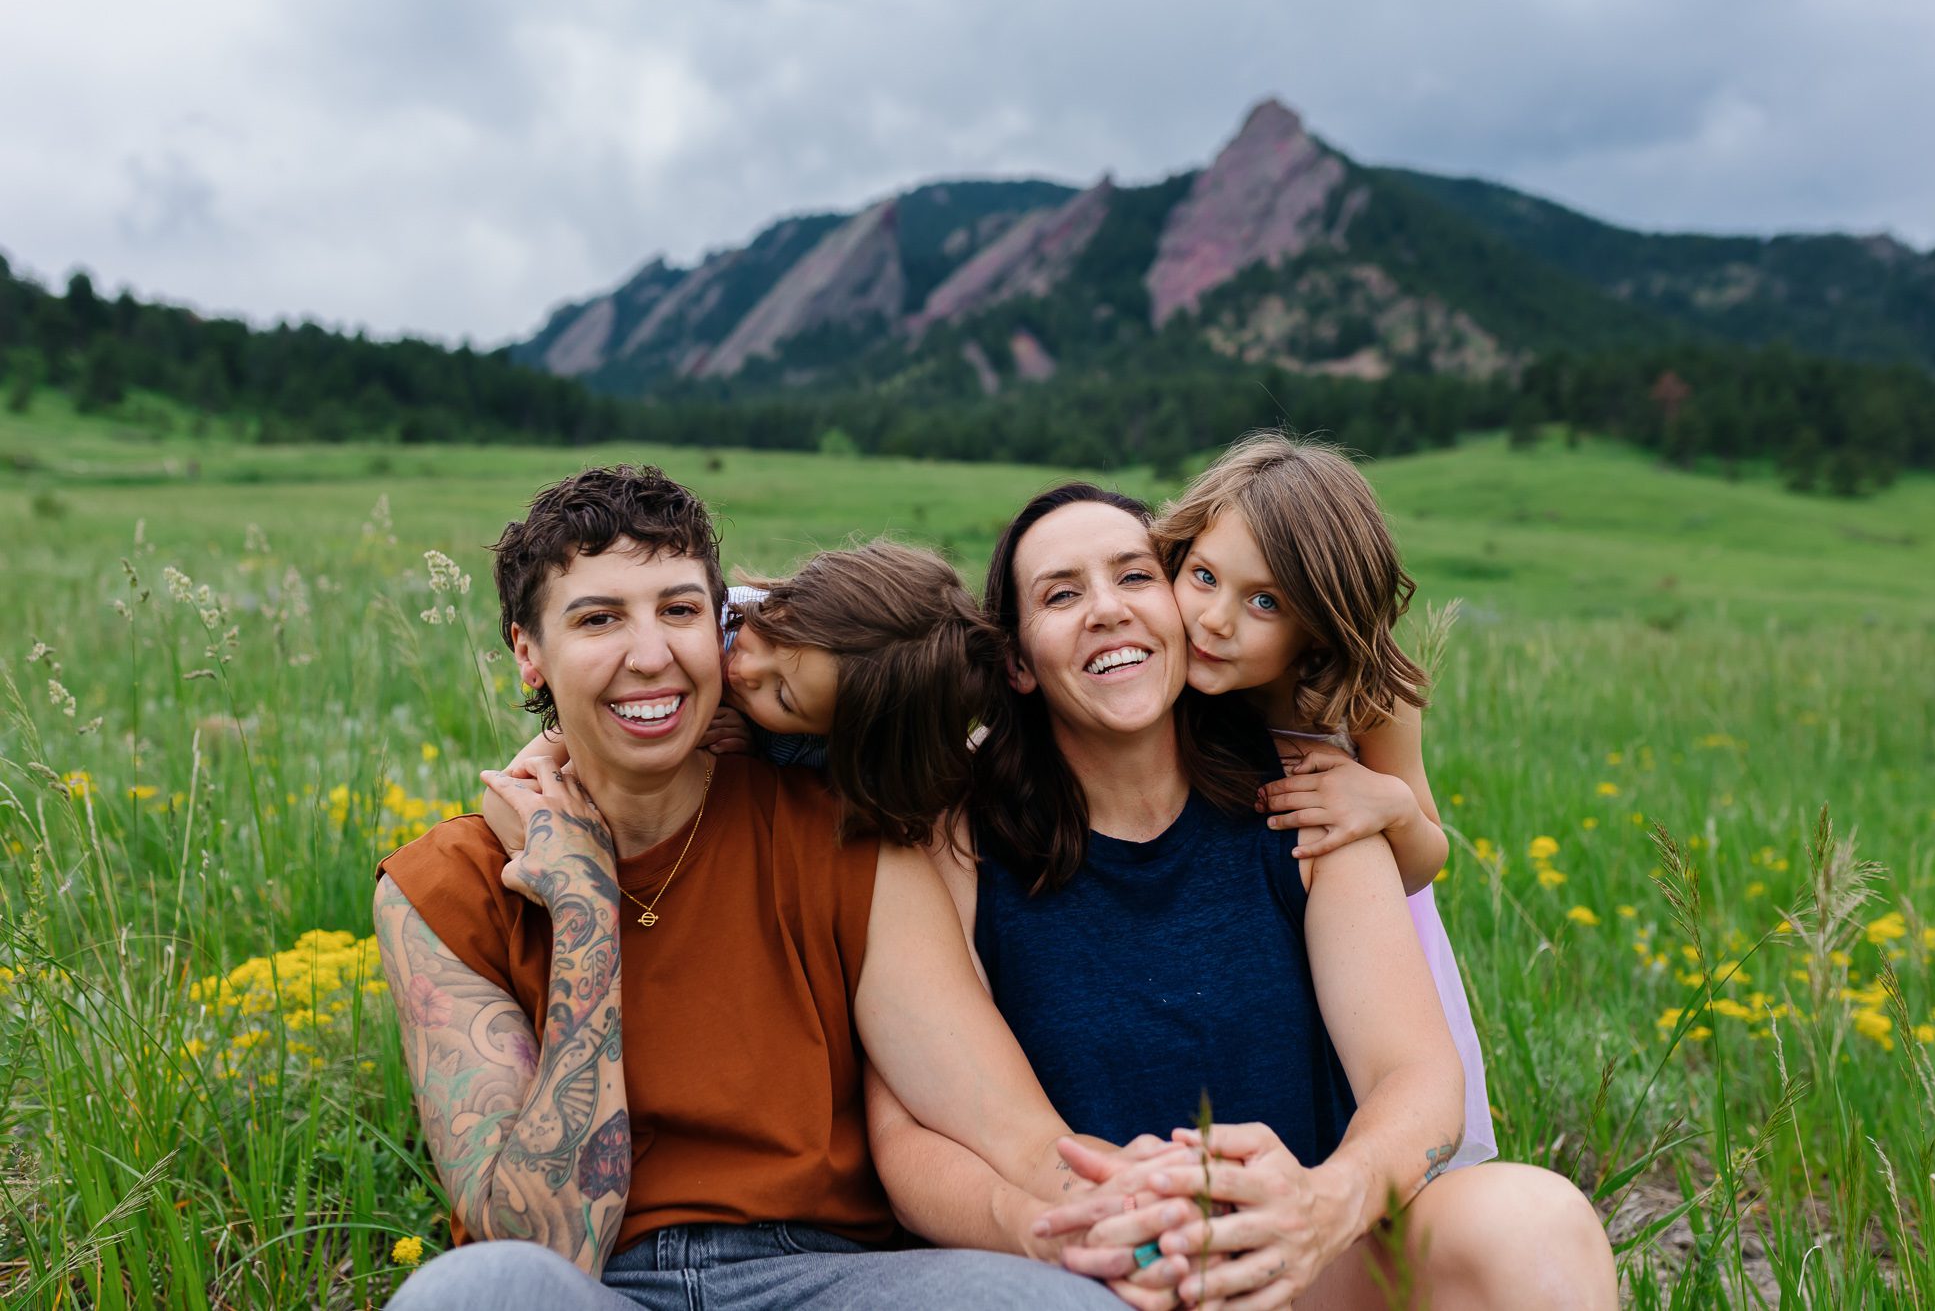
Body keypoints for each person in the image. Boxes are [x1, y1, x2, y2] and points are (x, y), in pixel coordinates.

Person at [375, 465, 1122, 1310]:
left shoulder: (847, 840)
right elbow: (546, 1244)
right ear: (529, 654)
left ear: (721, 626)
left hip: (830, 1279)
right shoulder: (442, 887)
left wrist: (1120, 1206)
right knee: (476, 1292)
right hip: (602, 1284)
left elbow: (1006, 1126)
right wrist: (584, 906)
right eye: (598, 619)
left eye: (681, 611)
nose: (651, 655)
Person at [868, 483, 1617, 1309]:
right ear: (1015, 661)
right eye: (1061, 593)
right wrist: (1050, 1226)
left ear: (1178, 611)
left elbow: (1416, 1073)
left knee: (1535, 1221)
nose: (1107, 609)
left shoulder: (1310, 797)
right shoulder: (955, 838)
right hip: (1078, 1275)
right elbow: (907, 1135)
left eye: (1134, 576)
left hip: (1303, 1264)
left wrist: (1327, 1202)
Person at [1152, 431, 1496, 1170]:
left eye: (1265, 601)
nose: (1215, 619)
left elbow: (1427, 858)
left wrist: (1392, 807)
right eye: (1205, 576)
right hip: (1247, 939)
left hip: (1365, 940)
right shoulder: (1165, 664)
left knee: (1359, 1102)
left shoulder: (1370, 700)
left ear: (1318, 621)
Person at [485, 540, 1000, 846]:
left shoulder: (842, 761)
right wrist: (528, 804)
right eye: (773, 632)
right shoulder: (722, 618)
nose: (746, 670)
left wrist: (756, 753)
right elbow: (513, 786)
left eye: (783, 700)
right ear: (788, 596)